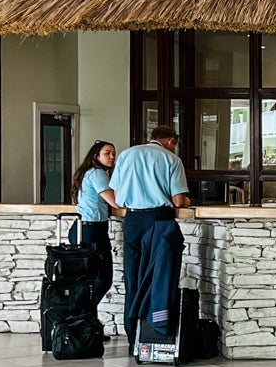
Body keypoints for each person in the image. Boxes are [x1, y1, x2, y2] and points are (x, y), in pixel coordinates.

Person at [111, 125, 191, 349]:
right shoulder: (171, 159)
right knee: (158, 276)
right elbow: (177, 200)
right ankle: (155, 332)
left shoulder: (127, 155)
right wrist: (186, 201)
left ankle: (132, 334)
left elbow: (117, 197)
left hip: (133, 220)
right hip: (160, 220)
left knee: (133, 276)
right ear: (171, 141)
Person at [71, 141, 119, 333]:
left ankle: (87, 323)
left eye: (114, 153)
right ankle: (82, 318)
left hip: (85, 228)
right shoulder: (97, 173)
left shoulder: (90, 173)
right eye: (107, 153)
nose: (112, 157)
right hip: (91, 229)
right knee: (102, 279)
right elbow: (115, 202)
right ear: (96, 156)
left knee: (91, 280)